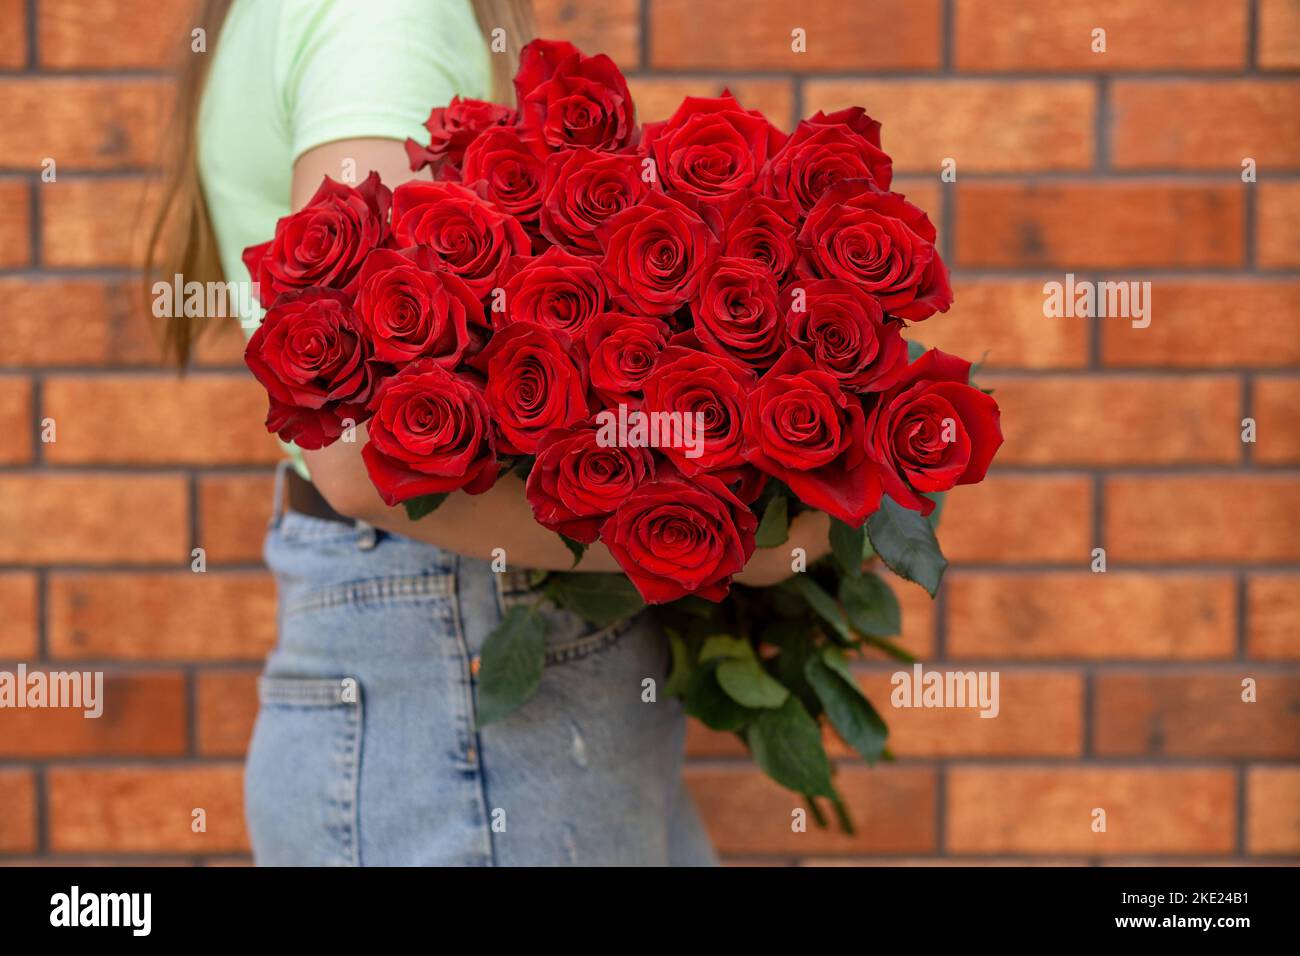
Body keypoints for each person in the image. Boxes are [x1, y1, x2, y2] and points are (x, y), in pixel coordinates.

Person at [146, 0, 830, 866]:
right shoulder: (384, 15)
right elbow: (362, 456)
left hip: (423, 645)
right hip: (456, 637)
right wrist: (740, 547)